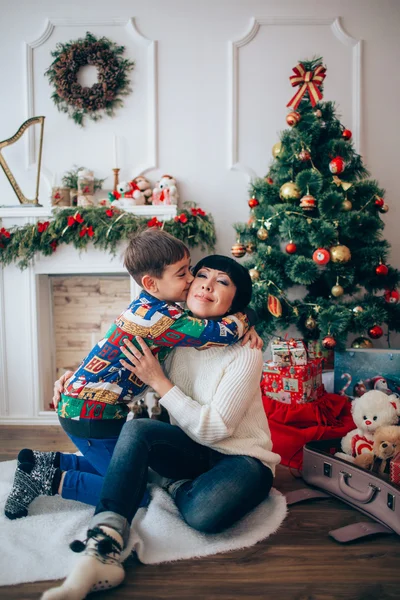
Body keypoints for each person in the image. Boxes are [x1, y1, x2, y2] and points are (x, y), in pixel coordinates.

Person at [41, 255, 281, 600]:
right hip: (191, 450)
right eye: (201, 275)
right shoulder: (171, 336)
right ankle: (103, 547)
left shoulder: (245, 352)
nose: (206, 284)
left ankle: (165, 485)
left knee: (202, 515)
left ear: (235, 303)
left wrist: (159, 381)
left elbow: (215, 430)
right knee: (137, 430)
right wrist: (72, 379)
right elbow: (110, 358)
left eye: (222, 282)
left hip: (239, 457)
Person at [5, 230, 252, 520]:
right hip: (92, 415)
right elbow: (217, 334)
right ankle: (49, 480)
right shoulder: (163, 319)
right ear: (151, 283)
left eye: (190, 270)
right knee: (134, 493)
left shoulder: (151, 306)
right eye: (183, 273)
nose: (191, 280)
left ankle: (46, 462)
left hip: (87, 406)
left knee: (125, 469)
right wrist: (247, 317)